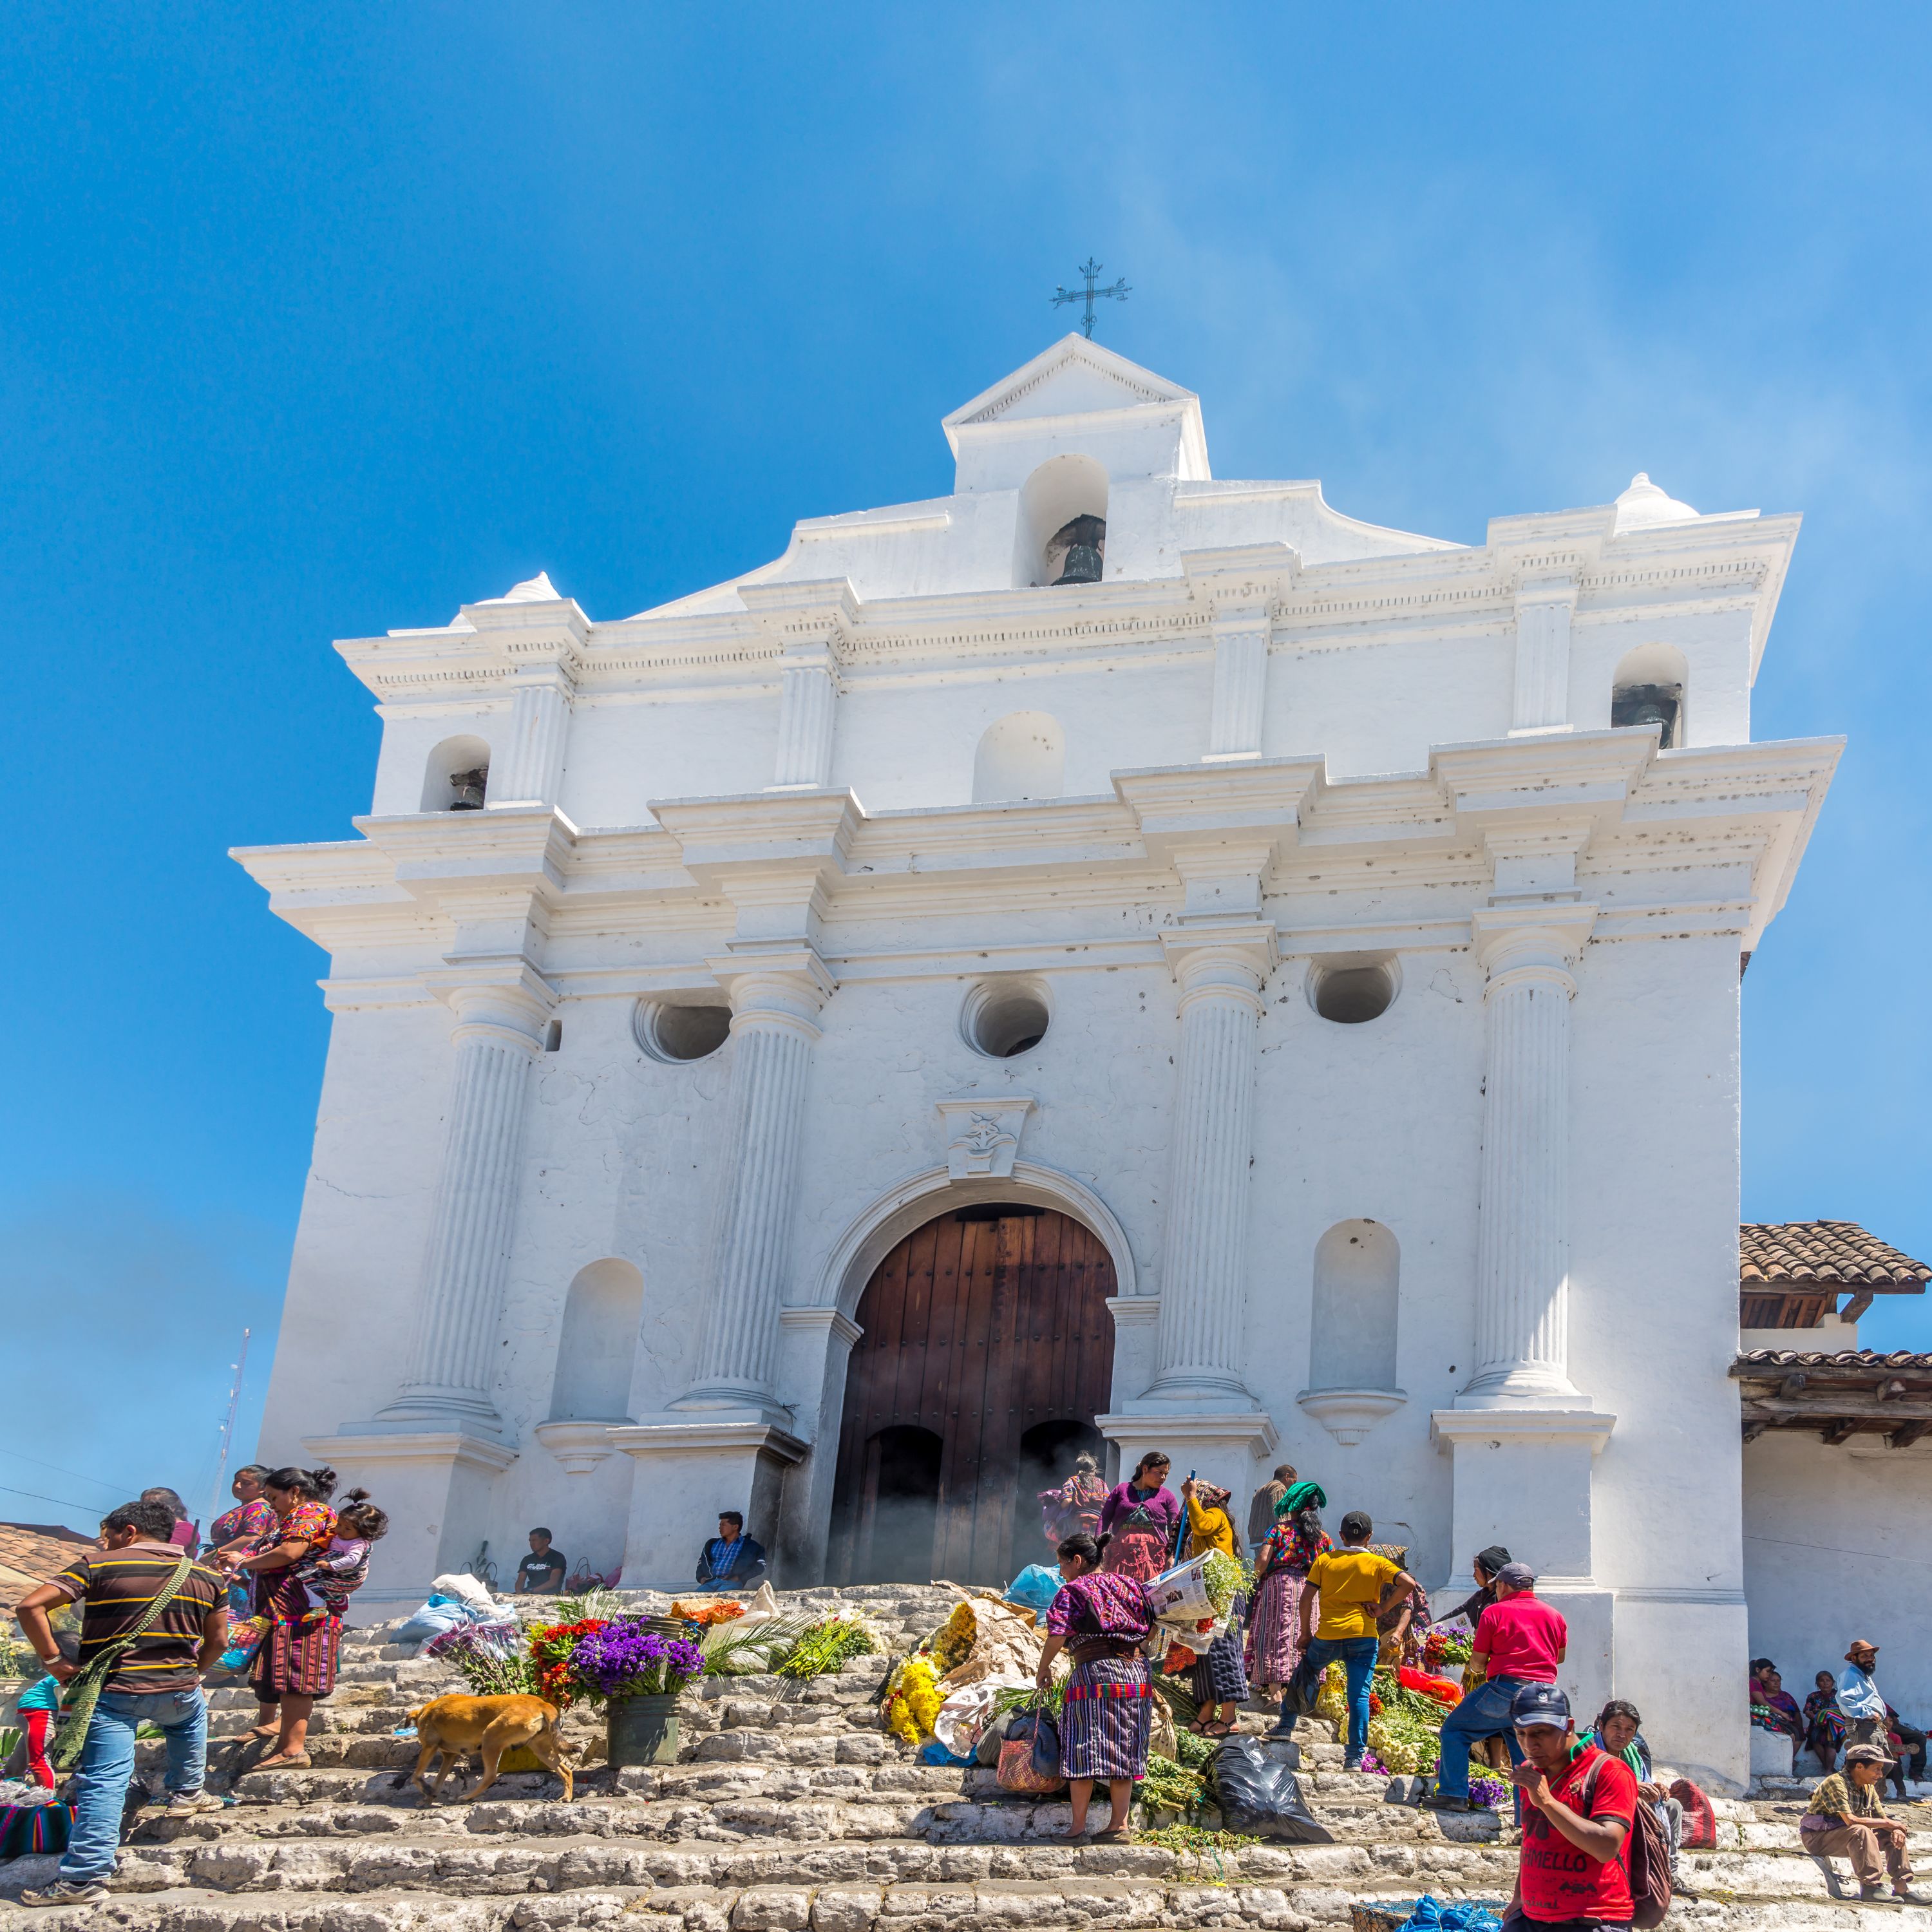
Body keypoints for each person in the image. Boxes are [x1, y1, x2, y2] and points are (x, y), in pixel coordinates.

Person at [12, 1498, 227, 1908]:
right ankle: (188, 1792)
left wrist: (55, 1660)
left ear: (128, 1531)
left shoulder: (96, 1565)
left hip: (115, 1694)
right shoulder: (208, 1577)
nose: (103, 1541)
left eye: (107, 1533)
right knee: (191, 1720)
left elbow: (30, 1606)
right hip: (179, 1691)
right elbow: (218, 1641)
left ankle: (83, 1878)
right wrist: (194, 1673)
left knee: (106, 1780)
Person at [1271, 1508, 1416, 1772]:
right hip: (1363, 1636)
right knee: (1359, 1695)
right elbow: (1408, 1583)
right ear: (1369, 1537)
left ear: (1341, 1535)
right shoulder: (1377, 1563)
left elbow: (1306, 1599)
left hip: (1329, 1635)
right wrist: (1383, 1608)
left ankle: (1285, 1726)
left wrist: (1305, 1634)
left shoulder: (1326, 1561)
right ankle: (1354, 1758)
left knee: (1305, 1674)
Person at [1034, 1530, 1155, 1837]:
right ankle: (1120, 1825)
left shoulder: (1073, 1590)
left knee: (1083, 1745)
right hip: (1135, 1675)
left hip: (1094, 1675)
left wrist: (1044, 1668)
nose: (1061, 1573)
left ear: (1077, 1561)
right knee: (1125, 1746)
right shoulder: (1131, 1585)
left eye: (1062, 1565)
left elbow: (1058, 1634)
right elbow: (1153, 1628)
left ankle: (1077, 1828)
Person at [221, 1464, 341, 1769]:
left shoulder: (309, 1514)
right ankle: (286, 1742)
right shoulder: (294, 1517)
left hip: (301, 1614)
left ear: (295, 1492)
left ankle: (293, 1750)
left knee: (296, 1676)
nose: (271, 1505)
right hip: (286, 1612)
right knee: (286, 1676)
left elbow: (289, 1554)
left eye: (274, 1498)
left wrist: (244, 1561)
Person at [1426, 1560, 1567, 1813]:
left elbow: (1478, 1664)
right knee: (1524, 1754)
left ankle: (1453, 1794)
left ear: (1502, 1585)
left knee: (1454, 1731)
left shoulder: (1495, 1612)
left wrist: (1479, 1663)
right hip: (1544, 1696)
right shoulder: (1555, 1615)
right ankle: (1528, 1818)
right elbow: (1559, 1657)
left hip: (1507, 1689)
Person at [1506, 1683, 1638, 1932]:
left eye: (1540, 1733)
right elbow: (1531, 1838)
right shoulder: (1531, 1771)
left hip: (1592, 1919)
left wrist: (1548, 1803)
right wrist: (1519, 1898)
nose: (1529, 1744)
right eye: (1520, 1734)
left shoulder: (1610, 1771)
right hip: (1531, 1919)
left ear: (1568, 1727)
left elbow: (1606, 1847)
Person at [1582, 1697, 1692, 1896]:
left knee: (1673, 1806)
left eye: (1629, 1730)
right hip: (1600, 1809)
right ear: (1601, 1725)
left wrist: (1656, 1788)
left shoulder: (1632, 1753)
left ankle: (1668, 1872)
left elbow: (1644, 1782)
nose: (1622, 1734)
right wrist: (1632, 1787)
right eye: (1616, 1726)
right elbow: (1585, 1785)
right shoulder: (1588, 1749)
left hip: (1630, 1804)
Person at [1799, 1741, 1925, 1902]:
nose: (1880, 1775)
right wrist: (1889, 1824)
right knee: (1861, 1830)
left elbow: (1882, 1819)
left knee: (1892, 1834)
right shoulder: (1835, 1783)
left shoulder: (1869, 1787)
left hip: (1846, 1836)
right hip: (1818, 1839)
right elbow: (1850, 1821)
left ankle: (1902, 1889)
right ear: (1859, 1767)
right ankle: (1870, 1888)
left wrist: (1896, 1829)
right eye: (1877, 1769)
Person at [1246, 1480, 1329, 1703]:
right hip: (1309, 1589)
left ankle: (1275, 1693)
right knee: (1304, 1635)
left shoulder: (1279, 1530)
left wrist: (1251, 1581)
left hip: (1278, 1585)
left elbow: (1263, 1560)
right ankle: (1300, 1694)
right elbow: (1329, 1568)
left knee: (1274, 1635)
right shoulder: (1324, 1539)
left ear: (1291, 1505)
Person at [1180, 1477, 1248, 1736]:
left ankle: (1229, 1718)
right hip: (1207, 1592)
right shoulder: (1211, 1517)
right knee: (1205, 1653)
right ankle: (1206, 1714)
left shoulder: (1215, 1514)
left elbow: (1200, 1525)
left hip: (1223, 1593)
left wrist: (1191, 1496)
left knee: (1224, 1650)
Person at [291, 1488, 387, 1614]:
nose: (340, 1530)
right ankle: (338, 1599)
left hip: (345, 1576)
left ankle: (319, 1607)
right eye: (339, 1525)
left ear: (364, 1531)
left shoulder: (357, 1543)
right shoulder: (342, 1537)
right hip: (331, 1572)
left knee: (309, 1581)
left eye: (347, 1529)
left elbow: (352, 1560)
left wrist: (330, 1564)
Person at [209, 1466, 278, 1624]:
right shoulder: (247, 1506)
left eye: (246, 1483)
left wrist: (212, 1556)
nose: (238, 1486)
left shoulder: (259, 1508)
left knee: (233, 1617)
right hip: (229, 1564)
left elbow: (251, 1537)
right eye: (236, 1481)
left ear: (262, 1488)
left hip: (240, 1567)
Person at [1097, 1453, 1179, 1582]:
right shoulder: (1121, 1490)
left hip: (1153, 1554)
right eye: (1159, 1472)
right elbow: (1104, 1519)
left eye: (1166, 1474)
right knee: (1120, 1587)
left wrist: (1171, 1555)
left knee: (1149, 1591)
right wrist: (1098, 1546)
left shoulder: (1167, 1496)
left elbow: (1175, 1528)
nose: (1163, 1477)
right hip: (1121, 1551)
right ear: (1145, 1469)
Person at [12, 1634, 79, 1788]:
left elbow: (65, 1702)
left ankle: (47, 1801)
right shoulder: (58, 1675)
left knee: (39, 1761)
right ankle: (12, 1794)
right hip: (33, 1716)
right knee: (16, 1765)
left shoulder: (61, 1677)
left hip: (41, 1714)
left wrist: (63, 1729)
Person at [1038, 1453, 1108, 1549]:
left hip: (1079, 1524)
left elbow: (1067, 1500)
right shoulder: (1101, 1483)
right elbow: (1108, 1502)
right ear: (1093, 1469)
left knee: (1077, 1551)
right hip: (1098, 1526)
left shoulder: (1073, 1480)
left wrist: (1058, 1511)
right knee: (1093, 1552)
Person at [696, 1511, 768, 1590]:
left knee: (723, 1600)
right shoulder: (712, 1543)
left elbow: (761, 1565)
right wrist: (701, 1578)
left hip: (731, 1583)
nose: (720, 1528)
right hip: (710, 1583)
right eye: (720, 1525)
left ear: (735, 1527)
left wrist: (739, 1577)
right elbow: (701, 1562)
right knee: (695, 1600)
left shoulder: (751, 1546)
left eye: (723, 1525)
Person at [1837, 1640, 1888, 1750]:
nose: (1870, 1659)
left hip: (1870, 1725)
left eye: (1872, 1656)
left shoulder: (1862, 1675)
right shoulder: (1850, 1675)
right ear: (1854, 1659)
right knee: (1869, 1763)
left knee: (1883, 1765)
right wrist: (1869, 1713)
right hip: (1862, 1725)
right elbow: (1844, 1699)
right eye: (1865, 1656)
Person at [1806, 1669, 1849, 1774]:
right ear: (1817, 1684)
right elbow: (1808, 1711)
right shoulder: (1813, 1696)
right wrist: (1818, 1719)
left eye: (1828, 1680)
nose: (1825, 1683)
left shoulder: (1839, 1695)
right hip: (1818, 1725)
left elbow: (1845, 1710)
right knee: (1815, 1738)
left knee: (1831, 1741)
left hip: (1835, 1725)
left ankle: (1829, 1770)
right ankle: (1829, 1769)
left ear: (1833, 1683)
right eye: (1822, 1681)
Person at [1750, 1658, 1804, 1739]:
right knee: (1789, 1735)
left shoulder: (1757, 1683)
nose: (1769, 1674)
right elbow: (1762, 1703)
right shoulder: (1753, 1683)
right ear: (1758, 1670)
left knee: (1793, 1733)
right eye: (1768, 1671)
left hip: (1761, 1714)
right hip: (1756, 1715)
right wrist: (1781, 1713)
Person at [1247, 1463, 1296, 1551]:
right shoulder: (1279, 1488)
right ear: (1287, 1476)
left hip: (1256, 1540)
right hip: (1271, 1542)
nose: (1293, 1486)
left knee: (1260, 1565)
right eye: (1294, 1481)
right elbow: (1280, 1517)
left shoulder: (1261, 1490)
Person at [515, 1528, 569, 1595]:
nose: (531, 1544)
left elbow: (553, 1582)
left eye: (534, 1540)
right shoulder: (527, 1559)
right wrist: (518, 1591)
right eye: (530, 1541)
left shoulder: (557, 1557)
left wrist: (532, 1591)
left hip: (549, 1595)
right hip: (528, 1593)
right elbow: (521, 1580)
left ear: (546, 1541)